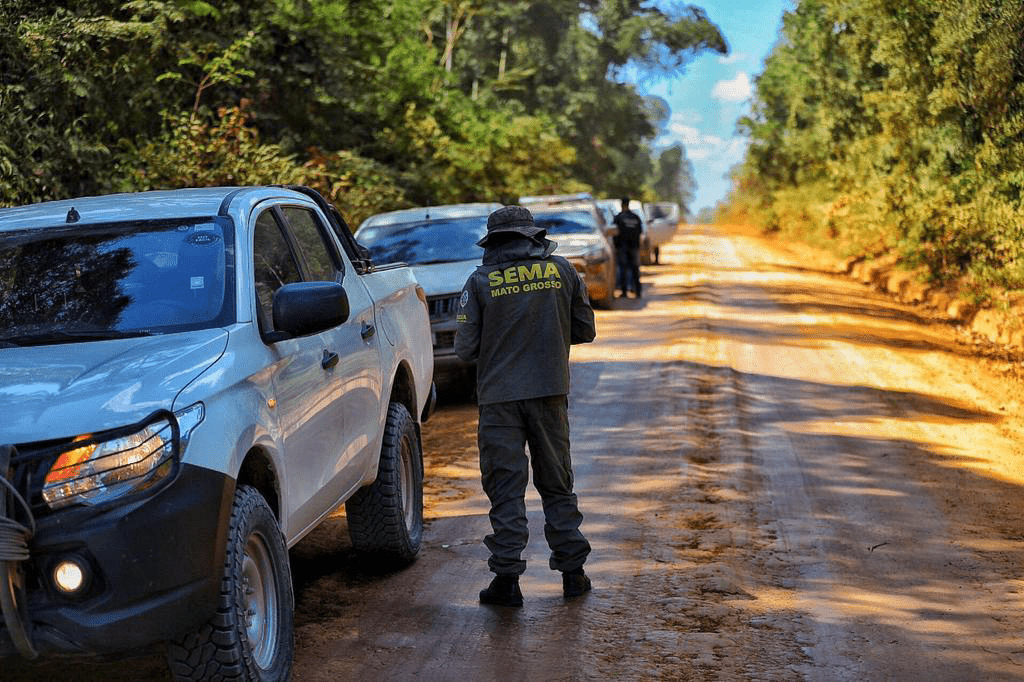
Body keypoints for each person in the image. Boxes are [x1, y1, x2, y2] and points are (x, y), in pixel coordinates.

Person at [454, 204, 596, 607]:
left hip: (499, 400)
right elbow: (585, 330)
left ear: (493, 242)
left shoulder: (479, 281)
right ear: (532, 236)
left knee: (505, 488)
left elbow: (465, 349)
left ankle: (507, 581)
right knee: (557, 483)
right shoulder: (563, 271)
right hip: (550, 393)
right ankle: (573, 574)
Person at [612, 196, 643, 298]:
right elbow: (640, 232)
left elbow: (614, 233)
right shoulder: (635, 217)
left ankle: (624, 292)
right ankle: (638, 291)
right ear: (628, 204)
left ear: (622, 205)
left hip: (622, 247)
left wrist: (616, 246)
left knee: (623, 269)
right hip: (634, 247)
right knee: (635, 269)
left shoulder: (618, 218)